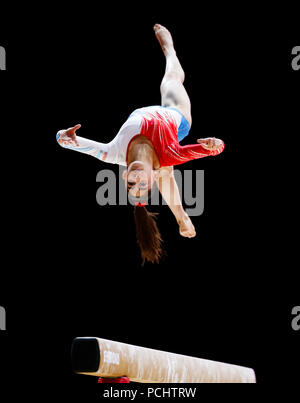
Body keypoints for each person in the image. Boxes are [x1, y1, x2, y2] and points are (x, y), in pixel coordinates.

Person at [56, 24, 225, 265]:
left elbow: (65, 141)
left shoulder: (113, 153)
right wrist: (213, 143)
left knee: (165, 171)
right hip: (177, 117)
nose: (136, 177)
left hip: (152, 121)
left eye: (131, 183)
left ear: (124, 177)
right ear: (151, 177)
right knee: (172, 79)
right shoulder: (170, 155)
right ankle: (170, 50)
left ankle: (181, 216)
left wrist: (64, 135)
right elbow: (216, 149)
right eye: (142, 183)